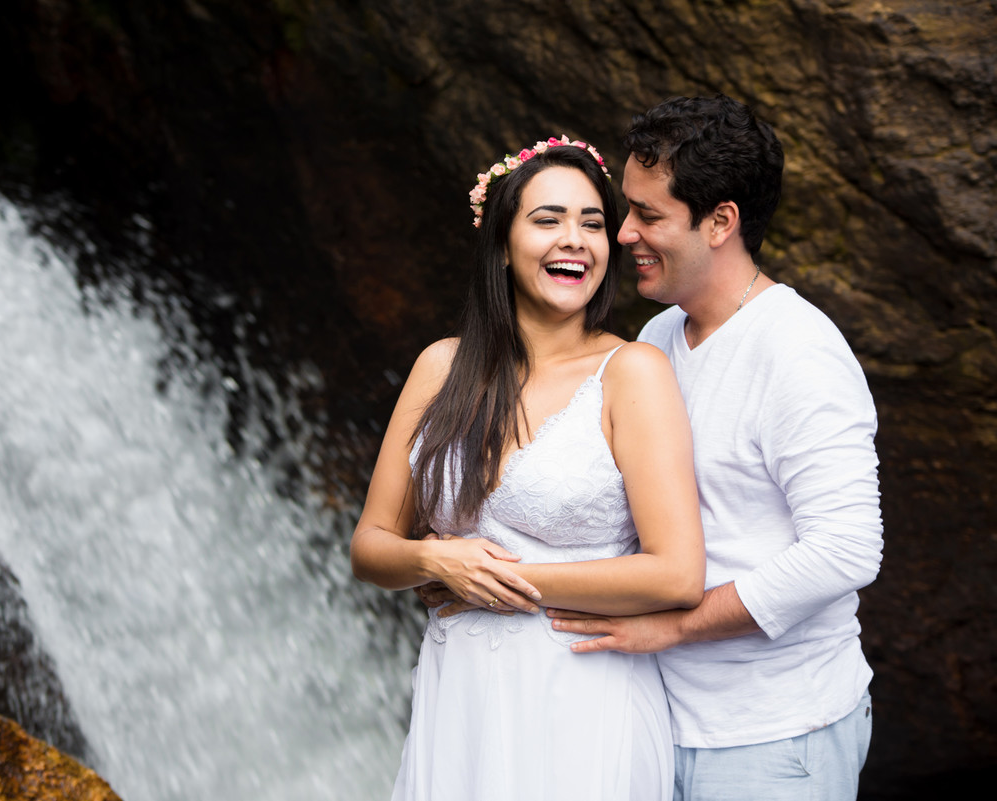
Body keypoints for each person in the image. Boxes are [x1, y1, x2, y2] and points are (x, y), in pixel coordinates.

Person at [548, 95, 884, 800]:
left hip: (775, 735)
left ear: (721, 221)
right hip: (656, 720)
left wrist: (674, 625)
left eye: (649, 214)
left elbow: (848, 548)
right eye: (627, 209)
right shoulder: (658, 338)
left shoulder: (799, 352)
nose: (624, 231)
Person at [351, 136, 706, 801]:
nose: (575, 240)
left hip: (583, 695)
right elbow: (370, 546)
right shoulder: (441, 368)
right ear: (502, 242)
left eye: (592, 223)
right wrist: (434, 562)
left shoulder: (631, 373)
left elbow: (678, 573)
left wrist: (487, 578)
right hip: (459, 695)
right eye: (548, 220)